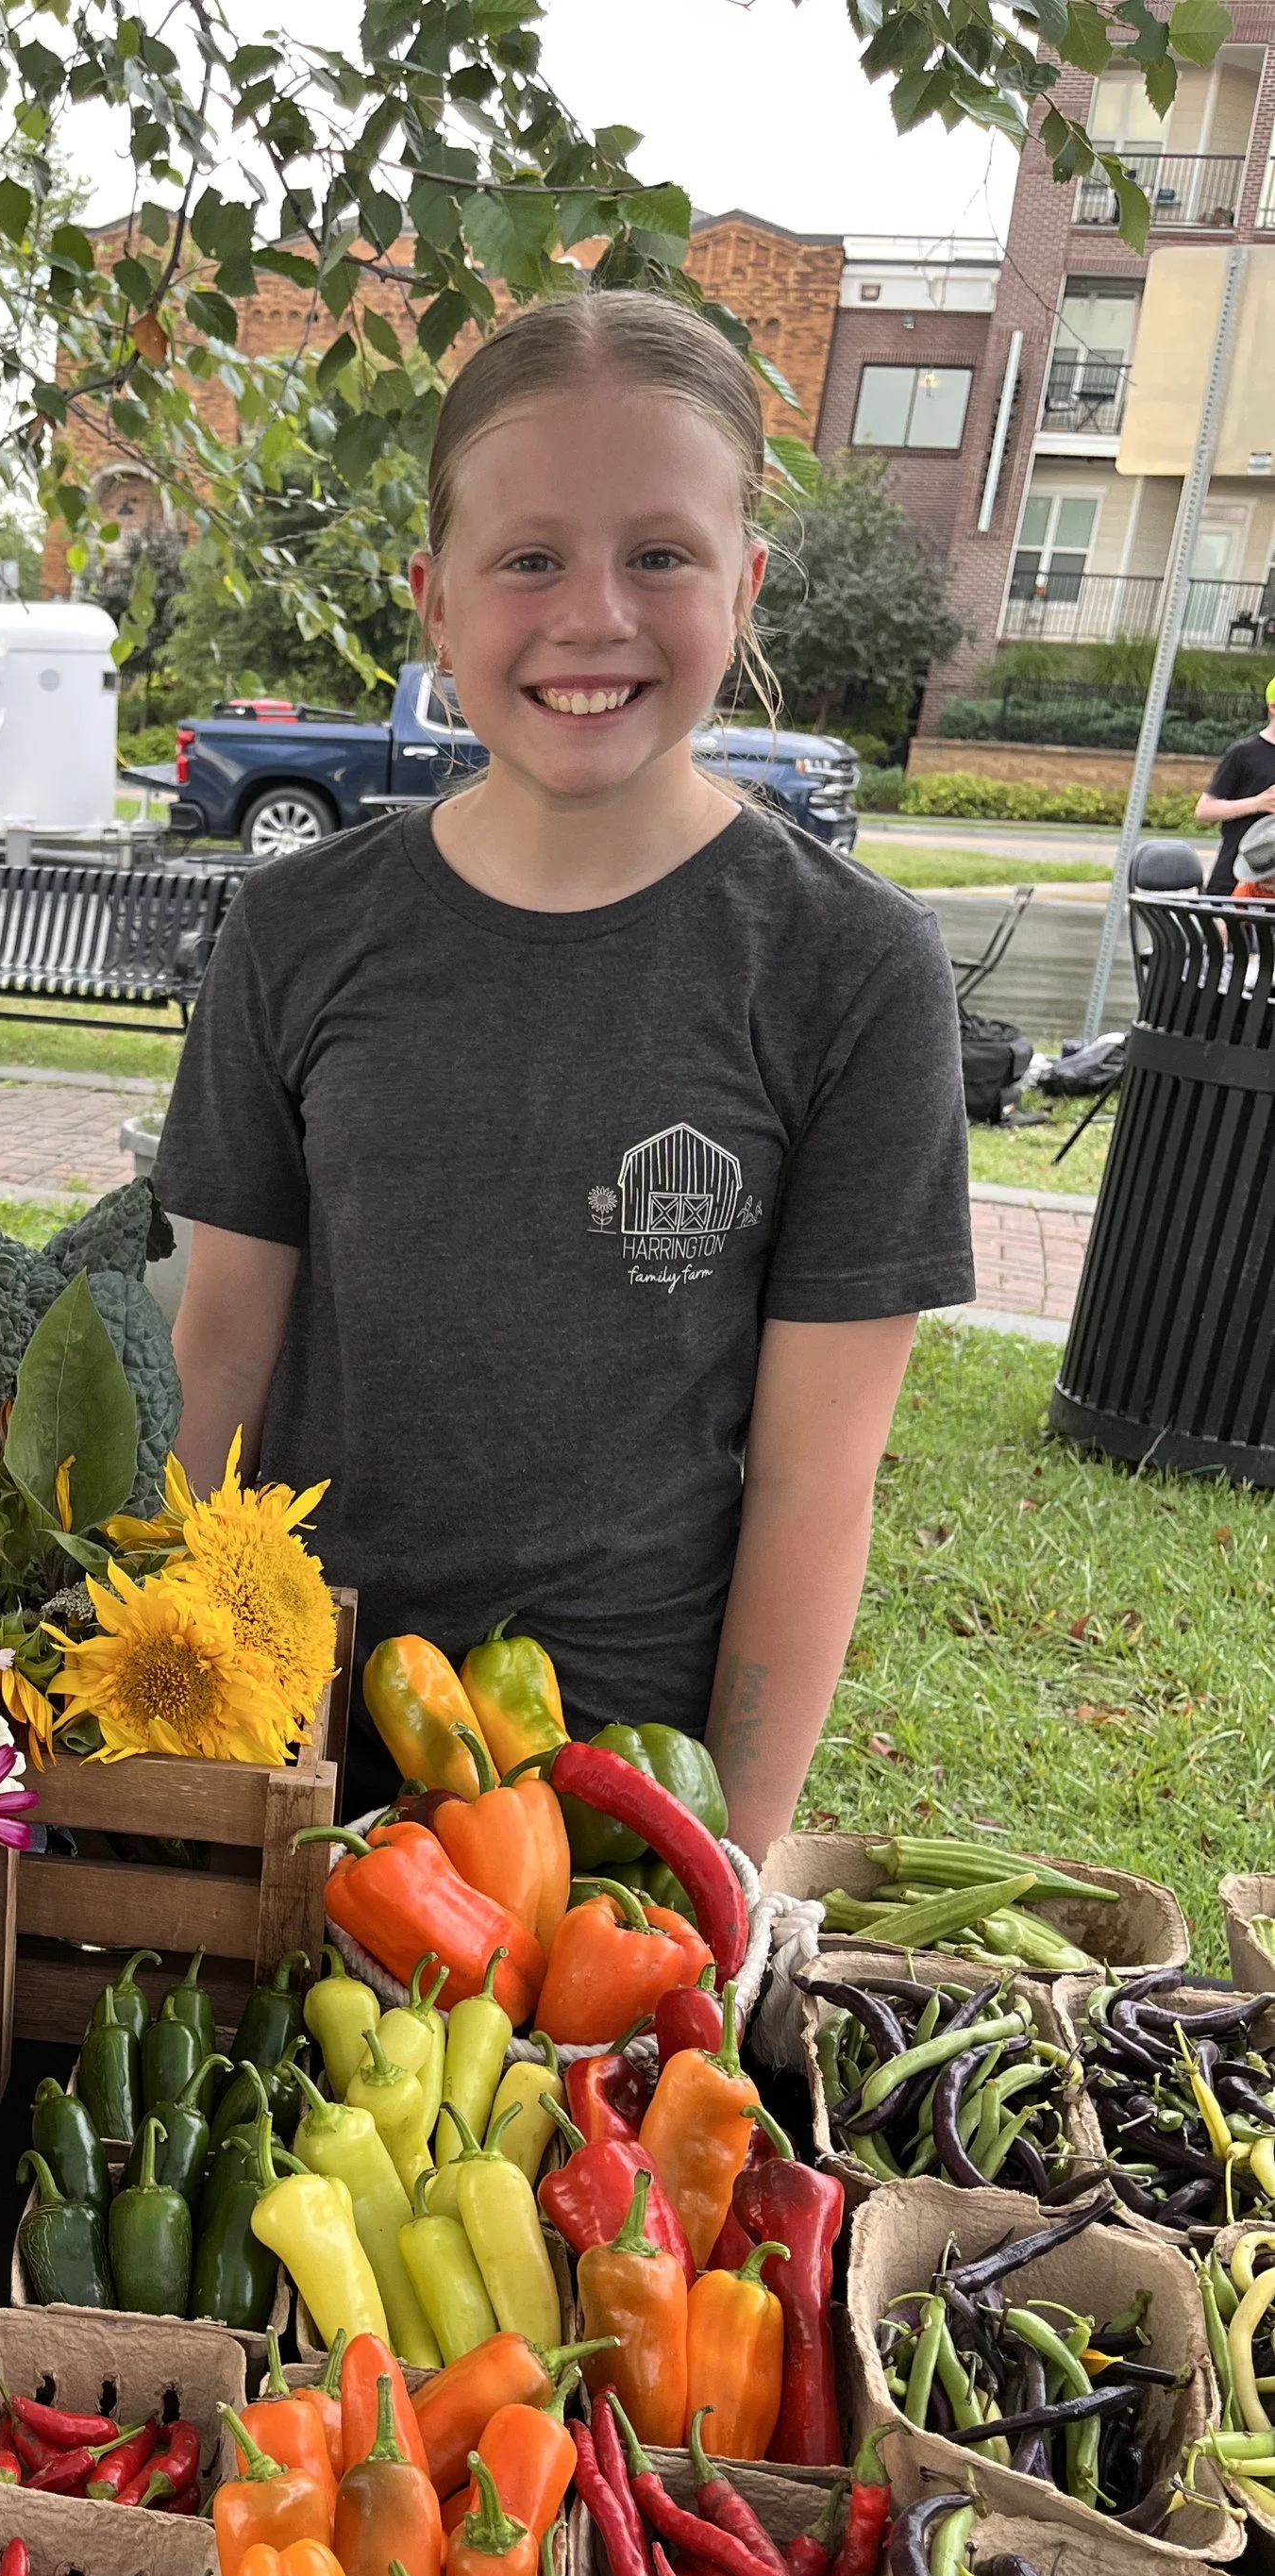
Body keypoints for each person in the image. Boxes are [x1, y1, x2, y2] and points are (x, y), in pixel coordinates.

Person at [153, 293, 973, 1860]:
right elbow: (222, 1368)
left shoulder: (853, 971)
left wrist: (725, 1854)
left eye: (658, 554)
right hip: (299, 1759)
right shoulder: (294, 929)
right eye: (529, 558)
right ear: (435, 602)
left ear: (745, 585)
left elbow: (813, 1485)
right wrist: (179, 1739)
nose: (592, 615)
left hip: (622, 1797)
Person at [1196, 678, 1275, 897]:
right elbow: (1204, 810)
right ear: (1273, 707)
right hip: (1235, 876)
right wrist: (1258, 803)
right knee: (1224, 930)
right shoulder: (1243, 753)